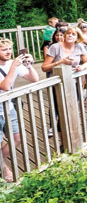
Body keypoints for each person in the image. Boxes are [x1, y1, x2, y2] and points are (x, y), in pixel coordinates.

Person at [0, 37, 39, 182]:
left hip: (8, 107)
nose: (8, 52)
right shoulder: (12, 65)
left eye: (10, 49)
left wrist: (29, 65)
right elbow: (4, 86)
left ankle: (1, 161)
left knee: (17, 138)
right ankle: (4, 167)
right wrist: (13, 67)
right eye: (4, 49)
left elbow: (34, 79)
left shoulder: (12, 63)